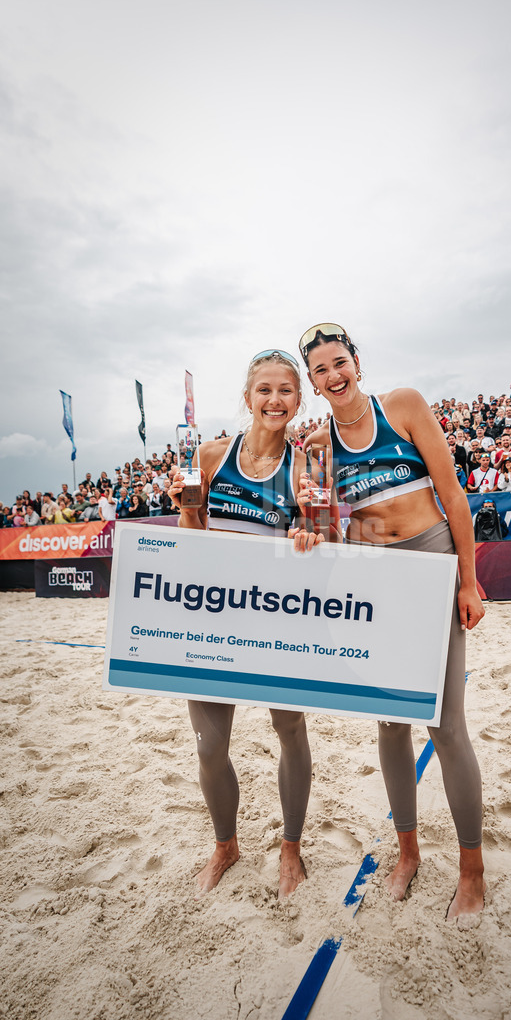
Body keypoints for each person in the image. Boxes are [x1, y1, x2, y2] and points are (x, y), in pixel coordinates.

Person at [296, 323, 485, 921]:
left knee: (446, 727)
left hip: (431, 563)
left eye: (339, 361)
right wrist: (309, 526)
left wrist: (469, 579)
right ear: (313, 383)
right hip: (376, 579)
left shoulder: (401, 406)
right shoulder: (318, 445)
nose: (334, 375)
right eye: (321, 370)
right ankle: (407, 852)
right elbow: (331, 534)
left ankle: (472, 870)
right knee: (390, 725)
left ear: (357, 362)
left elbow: (454, 498)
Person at [169, 349, 317, 901]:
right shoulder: (209, 455)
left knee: (290, 731)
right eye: (265, 390)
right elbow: (191, 535)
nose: (275, 400)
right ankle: (226, 845)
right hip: (214, 619)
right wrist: (186, 507)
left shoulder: (306, 467)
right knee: (210, 746)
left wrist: (310, 535)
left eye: (285, 391)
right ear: (248, 396)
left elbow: (322, 540)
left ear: (298, 401)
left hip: (277, 620)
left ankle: (291, 849)